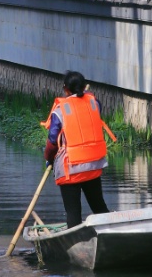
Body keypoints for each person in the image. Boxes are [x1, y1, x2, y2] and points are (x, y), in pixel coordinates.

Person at [44, 71, 116, 229]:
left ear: (65, 89)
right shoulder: (94, 103)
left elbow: (52, 142)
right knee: (99, 207)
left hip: (70, 170)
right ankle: (110, 232)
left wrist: (48, 158)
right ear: (84, 86)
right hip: (92, 165)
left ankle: (75, 244)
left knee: (73, 213)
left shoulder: (60, 110)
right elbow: (89, 103)